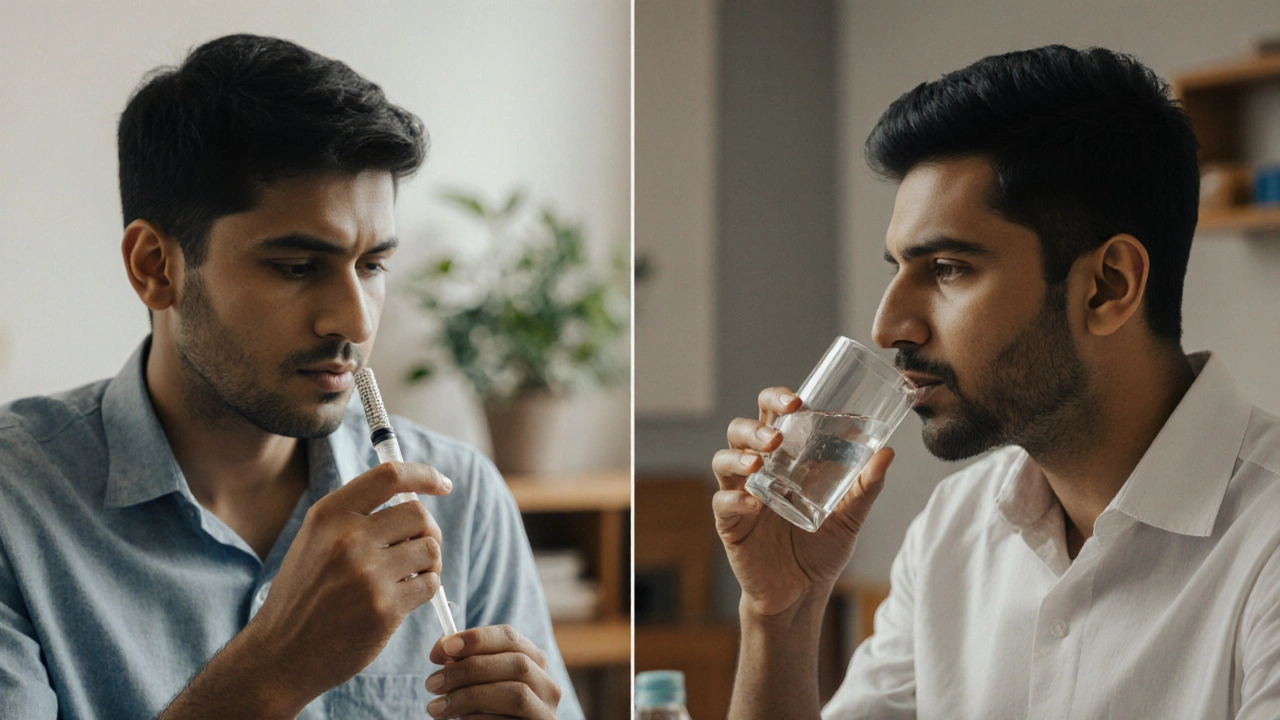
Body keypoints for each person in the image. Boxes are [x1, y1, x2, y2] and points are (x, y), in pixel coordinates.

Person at [0, 34, 579, 720]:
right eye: (297, 267)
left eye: (372, 266)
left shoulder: (464, 500)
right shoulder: (16, 508)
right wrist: (275, 668)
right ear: (155, 266)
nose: (356, 322)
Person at [712, 45, 1280, 719]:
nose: (889, 324)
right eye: (897, 267)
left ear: (1108, 286)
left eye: (948, 268)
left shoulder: (1265, 545)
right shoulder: (955, 529)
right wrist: (781, 613)